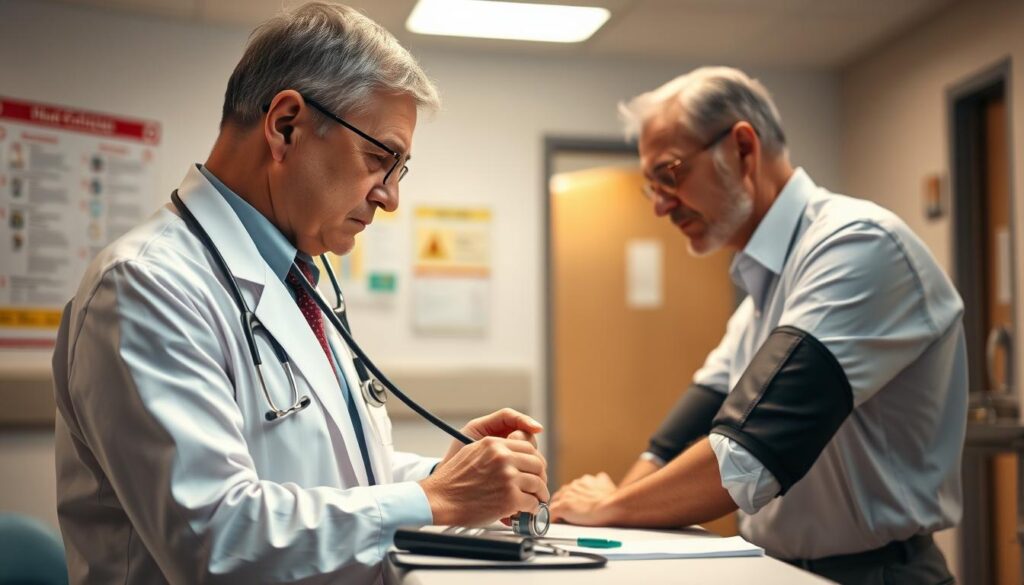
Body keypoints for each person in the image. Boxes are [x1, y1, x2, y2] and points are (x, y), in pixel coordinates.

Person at [51, 4, 548, 583]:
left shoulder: (298, 277)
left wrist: (456, 472)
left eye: (399, 170)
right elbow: (216, 539)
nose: (389, 198)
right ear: (286, 125)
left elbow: (330, 475)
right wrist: (437, 498)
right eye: (380, 159)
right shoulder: (146, 286)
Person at [549, 67, 965, 584]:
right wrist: (613, 516)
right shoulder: (763, 295)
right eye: (649, 187)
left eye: (669, 175)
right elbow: (674, 444)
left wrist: (609, 510)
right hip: (783, 567)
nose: (659, 205)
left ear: (743, 149)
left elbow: (747, 455)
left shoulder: (859, 246)